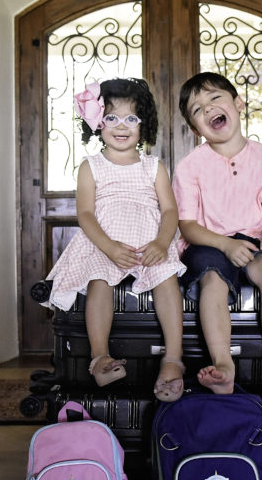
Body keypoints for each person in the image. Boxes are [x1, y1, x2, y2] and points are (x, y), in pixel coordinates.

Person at [172, 72, 262, 423]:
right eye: (197, 109)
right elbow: (187, 225)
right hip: (208, 241)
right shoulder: (190, 167)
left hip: (252, 242)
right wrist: (224, 245)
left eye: (215, 98)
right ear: (196, 128)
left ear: (238, 104)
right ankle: (224, 366)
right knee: (213, 278)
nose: (208, 108)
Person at [43, 78, 186, 402]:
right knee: (98, 280)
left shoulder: (153, 166)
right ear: (97, 124)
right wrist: (107, 247)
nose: (121, 127)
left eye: (131, 119)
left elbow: (169, 210)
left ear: (144, 125)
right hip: (105, 240)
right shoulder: (90, 166)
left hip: (148, 238)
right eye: (111, 118)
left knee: (166, 279)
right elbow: (86, 215)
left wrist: (162, 243)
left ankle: (173, 359)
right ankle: (100, 357)